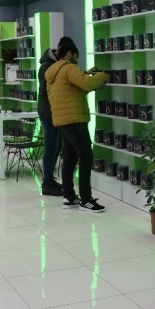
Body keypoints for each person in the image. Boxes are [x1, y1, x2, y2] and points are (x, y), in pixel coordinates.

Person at [46, 43, 109, 212]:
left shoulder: (54, 72)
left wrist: (86, 74)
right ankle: (86, 200)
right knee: (86, 157)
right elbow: (87, 84)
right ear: (69, 53)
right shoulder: (69, 68)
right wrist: (101, 76)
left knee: (70, 158)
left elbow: (74, 91)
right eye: (75, 56)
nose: (76, 60)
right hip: (74, 120)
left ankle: (69, 197)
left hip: (62, 121)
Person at [38, 37, 74, 196]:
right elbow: (45, 92)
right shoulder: (47, 66)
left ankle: (50, 179)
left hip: (54, 111)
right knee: (51, 146)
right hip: (48, 112)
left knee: (57, 146)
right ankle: (47, 183)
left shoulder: (53, 64)